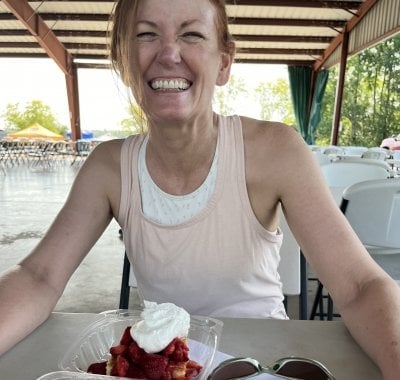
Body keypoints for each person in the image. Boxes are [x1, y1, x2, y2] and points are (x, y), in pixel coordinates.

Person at [0, 0, 399, 377]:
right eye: (145, 35)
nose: (168, 53)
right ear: (123, 63)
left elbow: (360, 286)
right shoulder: (109, 166)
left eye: (191, 35)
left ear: (224, 62)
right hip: (163, 362)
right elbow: (39, 276)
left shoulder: (275, 151)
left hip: (260, 364)